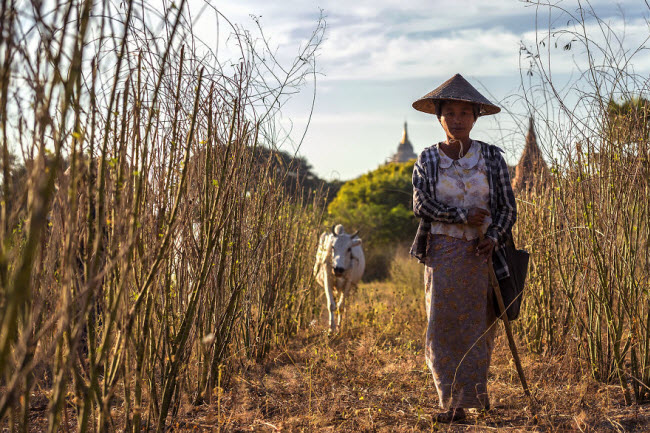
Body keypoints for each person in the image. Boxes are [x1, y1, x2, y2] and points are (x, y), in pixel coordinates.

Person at [410, 74, 517, 423]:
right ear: (439, 117)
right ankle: (452, 406)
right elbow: (421, 205)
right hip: (442, 254)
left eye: (464, 113)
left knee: (479, 329)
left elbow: (507, 208)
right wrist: (461, 215)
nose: (457, 119)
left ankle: (477, 398)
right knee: (441, 329)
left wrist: (493, 237)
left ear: (475, 118)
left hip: (482, 256)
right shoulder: (427, 159)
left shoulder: (490, 158)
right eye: (450, 112)